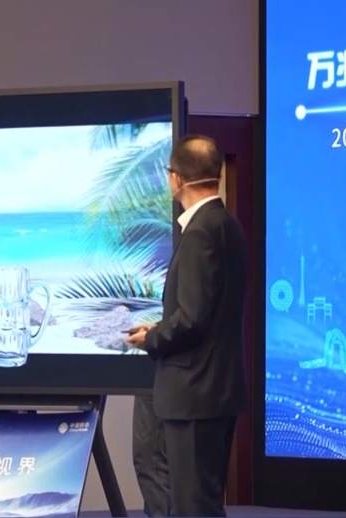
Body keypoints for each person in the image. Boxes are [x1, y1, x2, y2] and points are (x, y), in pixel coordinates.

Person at [125, 135, 248, 517]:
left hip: (195, 394)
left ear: (175, 178)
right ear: (217, 173)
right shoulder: (227, 225)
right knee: (204, 502)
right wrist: (164, 324)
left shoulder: (200, 232)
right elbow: (208, 311)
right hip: (217, 389)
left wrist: (152, 338)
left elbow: (193, 319)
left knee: (194, 506)